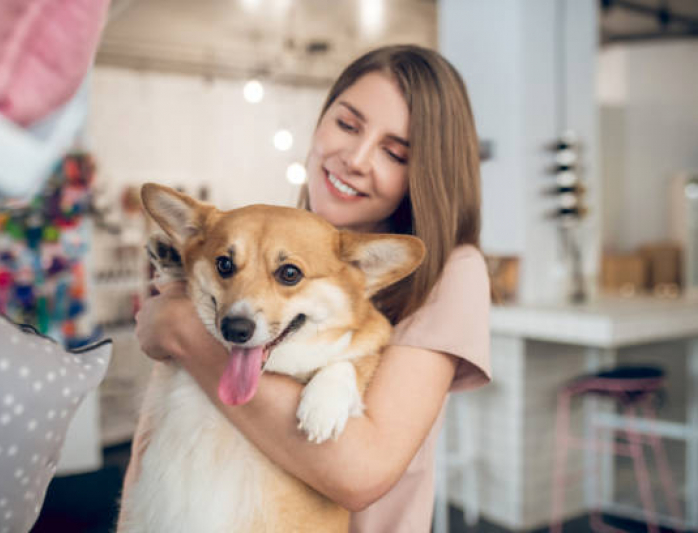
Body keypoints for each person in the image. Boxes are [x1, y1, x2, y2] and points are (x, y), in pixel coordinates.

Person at [130, 44, 491, 532]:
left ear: (424, 172)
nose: (355, 159)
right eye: (347, 124)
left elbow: (359, 472)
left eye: (394, 152)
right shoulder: (267, 231)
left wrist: (180, 326)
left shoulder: (454, 272)